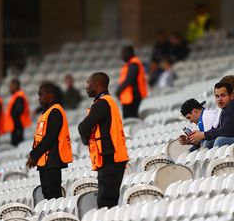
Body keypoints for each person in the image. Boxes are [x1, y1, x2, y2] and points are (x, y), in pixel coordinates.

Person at [78, 72, 128, 208]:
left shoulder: (102, 104)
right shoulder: (109, 102)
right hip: (114, 156)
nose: (86, 87)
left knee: (105, 202)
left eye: (88, 83)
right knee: (109, 201)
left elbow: (83, 128)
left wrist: (85, 139)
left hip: (109, 157)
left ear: (97, 84)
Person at [26, 83, 73, 200]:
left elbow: (50, 138)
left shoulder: (55, 111)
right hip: (45, 161)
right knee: (47, 194)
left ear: (50, 95)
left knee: (53, 195)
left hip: (52, 160)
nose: (39, 98)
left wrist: (34, 154)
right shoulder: (47, 112)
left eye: (41, 95)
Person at [188, 82, 234, 148]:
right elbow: (217, 130)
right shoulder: (225, 108)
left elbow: (226, 132)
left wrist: (203, 135)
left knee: (220, 141)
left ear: (231, 96)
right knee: (208, 142)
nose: (220, 99)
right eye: (217, 96)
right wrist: (196, 137)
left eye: (223, 95)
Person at [116, 46, 148, 118]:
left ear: (129, 53)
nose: (122, 56)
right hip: (129, 96)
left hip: (133, 96)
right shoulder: (131, 63)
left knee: (130, 119)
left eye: (123, 53)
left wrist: (119, 90)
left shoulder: (134, 64)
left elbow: (129, 79)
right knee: (131, 118)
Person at [4, 78, 32, 146]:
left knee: (17, 145)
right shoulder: (16, 96)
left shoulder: (19, 96)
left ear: (16, 86)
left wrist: (12, 114)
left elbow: (19, 110)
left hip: (17, 125)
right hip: (15, 125)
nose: (10, 88)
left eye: (11, 86)